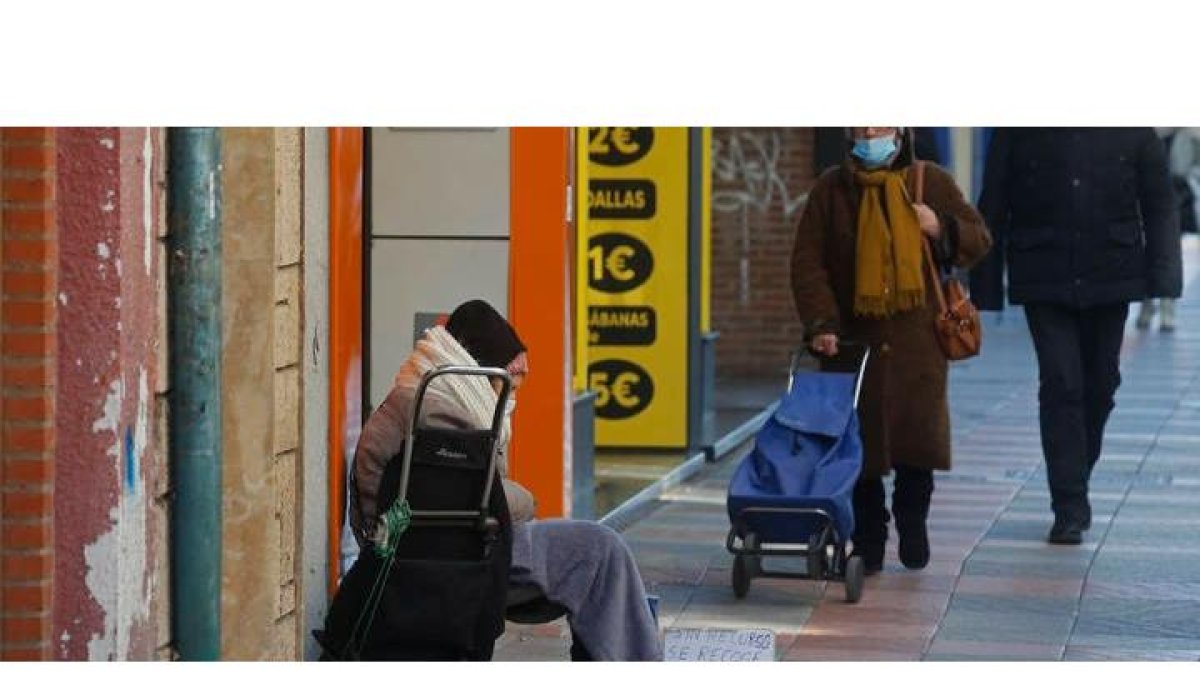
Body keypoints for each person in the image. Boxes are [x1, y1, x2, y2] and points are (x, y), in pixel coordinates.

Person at [348, 299, 662, 661]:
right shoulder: (439, 408)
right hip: (446, 554)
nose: (511, 396)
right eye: (509, 385)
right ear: (482, 367)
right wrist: (527, 502)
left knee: (588, 556)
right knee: (599, 549)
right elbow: (483, 499)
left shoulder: (421, 394)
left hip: (434, 546)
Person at [791, 127, 992, 574]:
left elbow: (980, 239)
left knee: (916, 446)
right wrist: (822, 324)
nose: (868, 131)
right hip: (851, 344)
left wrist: (939, 225)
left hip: (918, 344)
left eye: (878, 121)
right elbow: (808, 263)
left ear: (900, 127)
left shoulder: (930, 180)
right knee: (858, 451)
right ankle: (869, 535)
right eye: (860, 122)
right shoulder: (830, 189)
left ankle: (912, 521)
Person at [969, 128, 1181, 545]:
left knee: (1101, 385)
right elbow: (993, 199)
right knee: (1062, 382)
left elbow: (1159, 203)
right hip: (1041, 271)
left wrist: (1164, 278)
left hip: (1113, 272)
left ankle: (1075, 470)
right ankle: (1069, 503)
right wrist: (986, 285)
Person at [1137, 127, 1199, 331]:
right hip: (1147, 200)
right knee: (1150, 252)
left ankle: (1164, 307)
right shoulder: (1144, 136)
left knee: (1167, 254)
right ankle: (1150, 305)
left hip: (1176, 200)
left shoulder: (1189, 135)